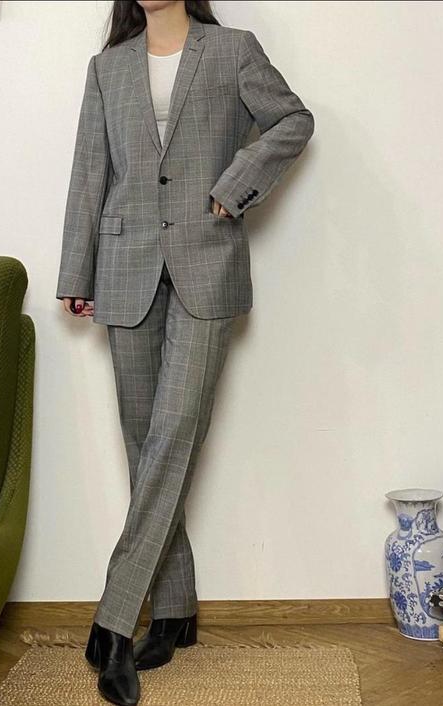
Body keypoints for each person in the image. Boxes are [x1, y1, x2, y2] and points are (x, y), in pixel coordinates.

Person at [55, 1, 314, 704]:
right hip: (124, 266)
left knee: (172, 435)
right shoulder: (107, 68)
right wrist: (77, 272)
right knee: (144, 442)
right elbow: (89, 171)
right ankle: (173, 611)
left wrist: (235, 186)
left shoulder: (232, 49)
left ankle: (114, 621)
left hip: (206, 265)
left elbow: (293, 120)